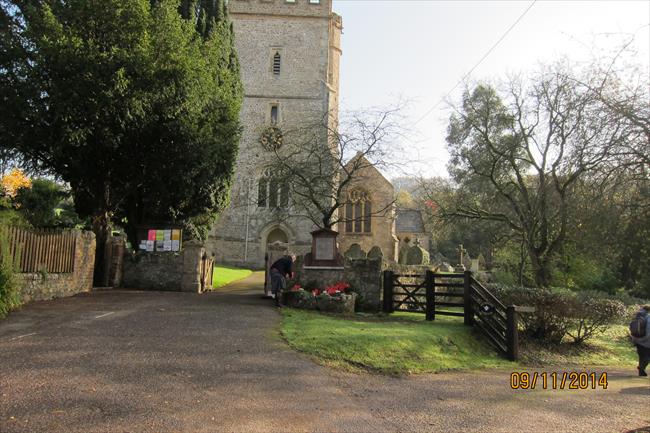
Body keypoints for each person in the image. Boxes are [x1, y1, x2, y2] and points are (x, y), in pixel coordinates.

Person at [630, 305, 650, 377]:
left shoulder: (637, 316)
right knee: (647, 357)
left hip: (637, 339)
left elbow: (631, 327)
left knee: (641, 356)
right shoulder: (648, 317)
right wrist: (644, 339)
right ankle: (641, 368)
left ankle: (641, 372)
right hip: (647, 341)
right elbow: (648, 331)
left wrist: (635, 339)